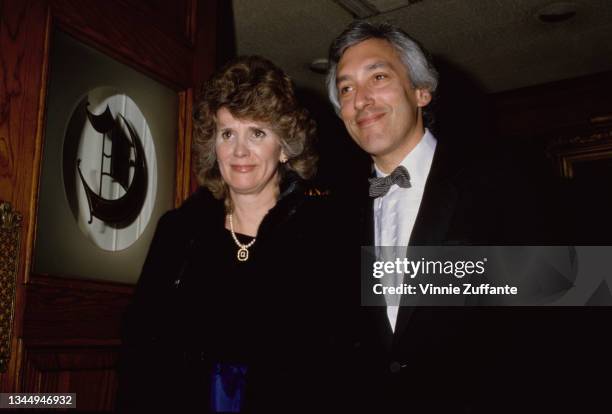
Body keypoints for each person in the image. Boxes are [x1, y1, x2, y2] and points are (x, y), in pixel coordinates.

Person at [326, 21, 612, 414]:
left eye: (378, 76)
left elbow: (567, 307)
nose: (360, 99)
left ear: (421, 91)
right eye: (346, 88)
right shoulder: (337, 214)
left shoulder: (503, 176)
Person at [117, 55, 335, 413]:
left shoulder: (324, 235)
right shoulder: (178, 233)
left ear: (283, 148)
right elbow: (139, 349)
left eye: (258, 133)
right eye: (227, 133)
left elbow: (340, 363)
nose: (239, 151)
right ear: (213, 144)